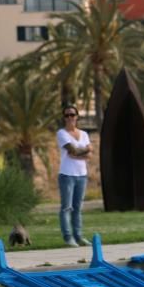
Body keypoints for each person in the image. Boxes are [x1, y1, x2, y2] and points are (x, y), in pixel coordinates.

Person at [56, 105, 92, 247]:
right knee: (66, 207)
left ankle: (79, 236)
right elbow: (72, 151)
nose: (70, 118)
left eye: (72, 115)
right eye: (67, 115)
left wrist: (79, 152)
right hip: (67, 175)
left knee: (77, 208)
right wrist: (84, 150)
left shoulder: (84, 134)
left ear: (77, 116)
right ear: (64, 118)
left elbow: (88, 155)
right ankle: (68, 237)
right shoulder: (61, 133)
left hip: (81, 175)